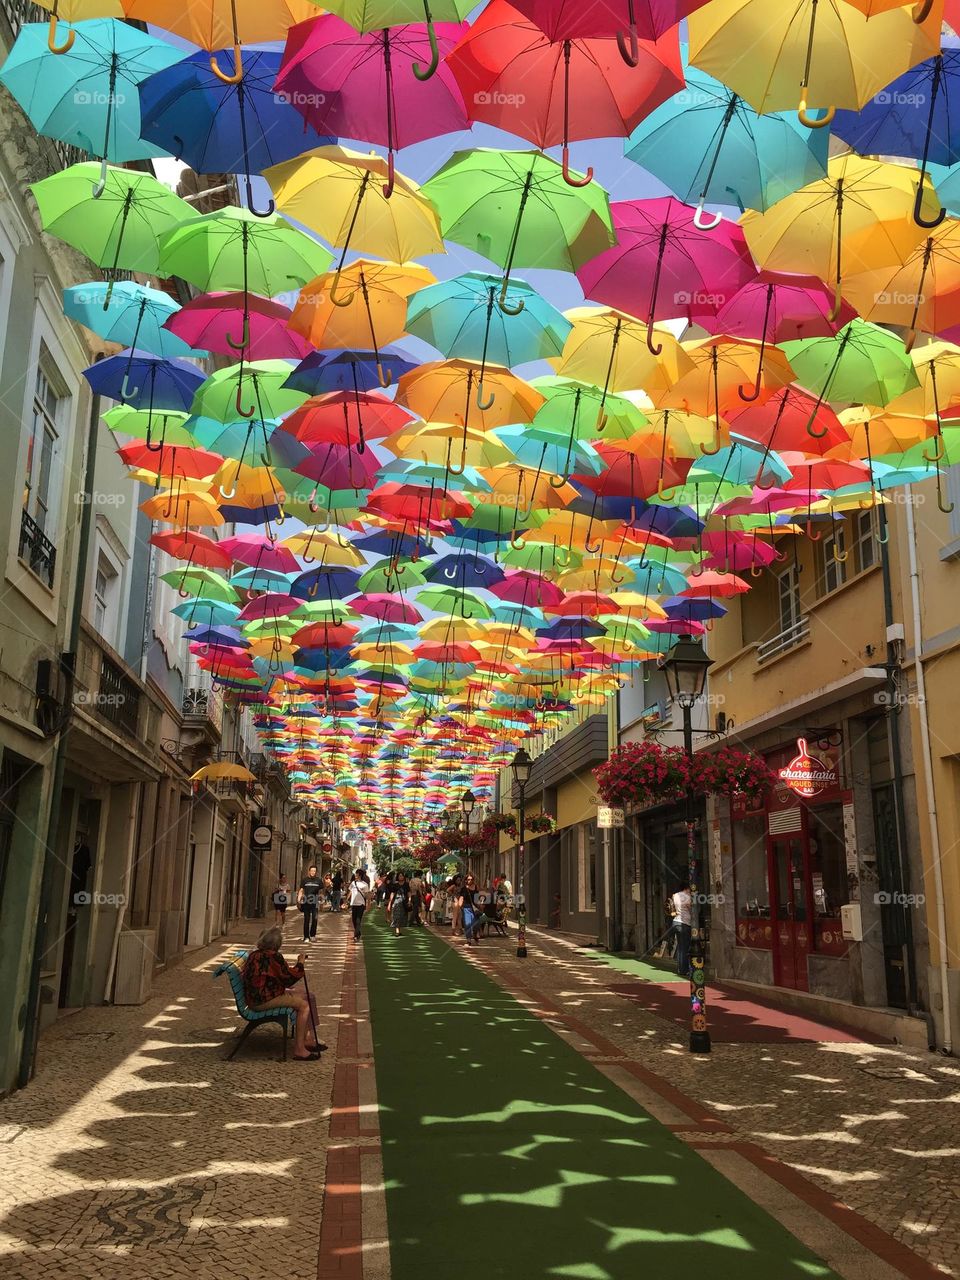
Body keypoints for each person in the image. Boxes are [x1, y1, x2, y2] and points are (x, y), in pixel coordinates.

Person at [241, 926, 324, 1061]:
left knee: (307, 995)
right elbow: (289, 978)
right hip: (263, 999)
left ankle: (308, 1038)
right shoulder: (273, 956)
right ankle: (299, 1049)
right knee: (304, 1006)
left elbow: (282, 976)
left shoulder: (254, 955)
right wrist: (301, 962)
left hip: (257, 996)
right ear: (276, 944)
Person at [672, 880, 693, 978]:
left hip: (676, 922)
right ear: (687, 888)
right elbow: (691, 908)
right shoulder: (687, 897)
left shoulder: (675, 895)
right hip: (684, 923)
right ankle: (684, 969)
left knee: (680, 947)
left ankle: (680, 968)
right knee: (685, 947)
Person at [298, 864, 322, 942]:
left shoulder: (319, 880)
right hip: (306, 902)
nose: (313, 872)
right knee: (306, 919)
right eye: (312, 871)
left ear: (316, 872)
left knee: (315, 919)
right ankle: (306, 937)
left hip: (315, 902)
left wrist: (322, 901)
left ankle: (312, 935)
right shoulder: (305, 880)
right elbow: (301, 890)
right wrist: (298, 900)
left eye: (314, 871)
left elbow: (321, 891)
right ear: (309, 871)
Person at [459, 874, 482, 946]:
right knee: (467, 924)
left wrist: (480, 905)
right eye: (468, 879)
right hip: (467, 908)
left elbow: (478, 897)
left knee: (476, 925)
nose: (470, 881)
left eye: (471, 879)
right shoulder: (463, 889)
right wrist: (460, 906)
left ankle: (475, 936)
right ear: (466, 880)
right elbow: (461, 898)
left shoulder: (476, 887)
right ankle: (468, 940)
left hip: (475, 908)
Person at [349, 869, 369, 942]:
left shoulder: (365, 884)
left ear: (359, 875)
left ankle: (356, 936)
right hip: (354, 903)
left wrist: (368, 904)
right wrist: (346, 901)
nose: (355, 875)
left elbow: (367, 895)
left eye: (356, 874)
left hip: (361, 904)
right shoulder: (353, 883)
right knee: (353, 920)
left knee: (358, 920)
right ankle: (358, 933)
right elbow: (350, 892)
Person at [387, 871, 409, 936]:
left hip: (404, 902)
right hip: (396, 902)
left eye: (402, 876)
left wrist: (410, 900)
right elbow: (392, 893)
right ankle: (397, 930)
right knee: (396, 915)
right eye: (399, 876)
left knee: (402, 916)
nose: (401, 877)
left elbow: (409, 892)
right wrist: (390, 902)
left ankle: (399, 930)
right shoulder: (395, 885)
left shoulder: (406, 884)